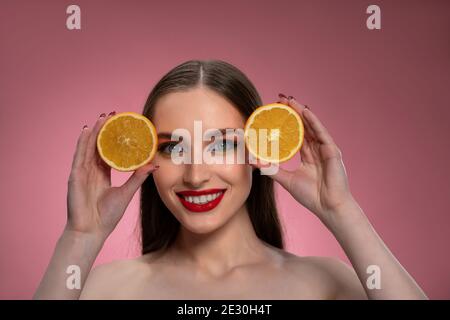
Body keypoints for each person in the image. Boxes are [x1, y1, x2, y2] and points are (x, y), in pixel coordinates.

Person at [34, 60, 427, 299]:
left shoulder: (325, 283)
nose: (196, 174)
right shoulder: (104, 289)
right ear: (148, 158)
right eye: (173, 148)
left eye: (221, 145)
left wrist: (342, 211)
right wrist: (80, 238)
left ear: (256, 151)